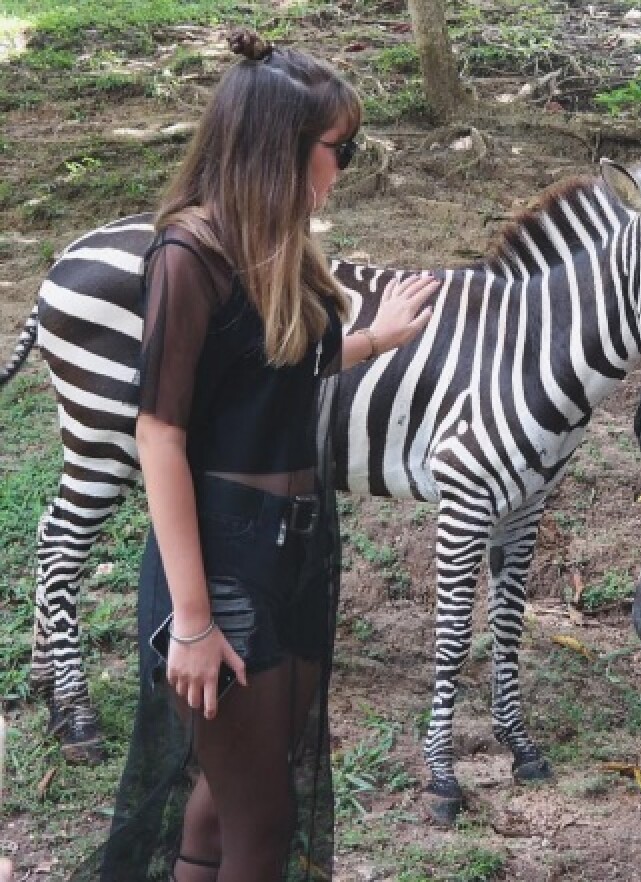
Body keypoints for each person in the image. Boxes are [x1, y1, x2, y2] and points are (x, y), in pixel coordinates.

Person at [72, 28, 439, 882]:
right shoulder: (188, 253)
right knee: (264, 824)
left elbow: (270, 364)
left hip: (299, 550)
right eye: (337, 149)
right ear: (281, 146)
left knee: (233, 794)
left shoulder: (271, 249)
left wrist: (374, 338)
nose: (345, 166)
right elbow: (158, 432)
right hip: (225, 559)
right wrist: (193, 621)